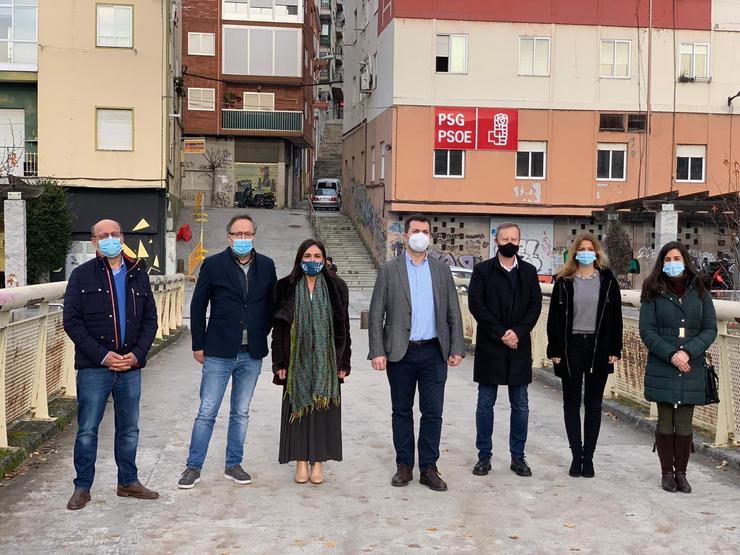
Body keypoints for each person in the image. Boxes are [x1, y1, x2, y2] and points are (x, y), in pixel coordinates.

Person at [63, 219, 159, 510]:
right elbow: (72, 322)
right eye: (103, 236)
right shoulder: (81, 276)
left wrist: (137, 355)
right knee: (88, 428)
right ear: (94, 243)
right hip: (95, 367)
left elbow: (150, 319)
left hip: (131, 366)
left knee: (129, 428)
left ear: (122, 237)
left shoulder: (138, 273)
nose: (109, 239)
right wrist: (103, 356)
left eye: (114, 234)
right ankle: (83, 487)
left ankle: (128, 482)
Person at [178, 215, 277, 489]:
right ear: (229, 236)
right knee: (207, 411)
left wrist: (263, 331)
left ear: (254, 235)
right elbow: (198, 307)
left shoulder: (267, 266)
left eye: (247, 234)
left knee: (241, 412)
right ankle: (193, 467)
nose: (242, 239)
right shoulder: (213, 265)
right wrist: (199, 344)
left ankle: (233, 464)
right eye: (237, 234)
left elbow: (271, 305)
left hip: (252, 352)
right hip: (218, 351)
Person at [368, 213, 464, 492]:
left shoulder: (441, 270)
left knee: (433, 412)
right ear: (406, 236)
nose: (420, 235)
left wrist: (456, 346)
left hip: (434, 351)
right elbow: (376, 314)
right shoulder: (389, 270)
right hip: (401, 353)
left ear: (429, 237)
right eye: (415, 230)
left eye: (425, 231)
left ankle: (429, 468)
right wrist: (377, 351)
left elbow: (453, 312)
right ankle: (404, 466)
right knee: (401, 411)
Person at [639, 241, 717, 493]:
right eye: (668, 259)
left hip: (690, 365)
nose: (672, 263)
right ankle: (666, 473)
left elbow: (710, 329)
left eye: (676, 258)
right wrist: (672, 354)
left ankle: (681, 473)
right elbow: (647, 330)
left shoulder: (700, 290)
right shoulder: (652, 290)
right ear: (662, 263)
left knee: (684, 421)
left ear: (685, 259)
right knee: (664, 419)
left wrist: (687, 352)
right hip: (664, 364)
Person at [271, 239, 351, 484]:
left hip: (327, 361)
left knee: (323, 411)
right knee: (298, 409)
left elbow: (343, 327)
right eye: (307, 256)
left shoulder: (337, 286)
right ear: (299, 259)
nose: (313, 261)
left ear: (324, 260)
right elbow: (279, 329)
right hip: (296, 362)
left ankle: (318, 462)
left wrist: (343, 363)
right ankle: (300, 462)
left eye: (317, 256)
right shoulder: (285, 287)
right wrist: (280, 363)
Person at [467, 223, 542, 477]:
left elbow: (535, 306)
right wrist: (501, 333)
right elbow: (477, 305)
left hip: (519, 346)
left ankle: (518, 457)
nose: (510, 242)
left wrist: (518, 332)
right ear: (496, 240)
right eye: (505, 238)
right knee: (485, 403)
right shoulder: (482, 271)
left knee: (520, 404)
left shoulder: (529, 272)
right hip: (491, 345)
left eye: (514, 238)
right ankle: (484, 456)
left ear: (520, 241)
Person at [546, 233, 622, 478]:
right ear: (575, 253)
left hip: (599, 347)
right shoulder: (563, 281)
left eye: (591, 248)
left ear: (597, 253)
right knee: (571, 403)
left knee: (594, 404)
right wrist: (555, 349)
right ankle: (575, 455)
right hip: (571, 346)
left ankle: (588, 457)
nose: (586, 252)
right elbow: (554, 319)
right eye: (582, 248)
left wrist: (614, 349)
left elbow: (616, 318)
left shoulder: (608, 281)